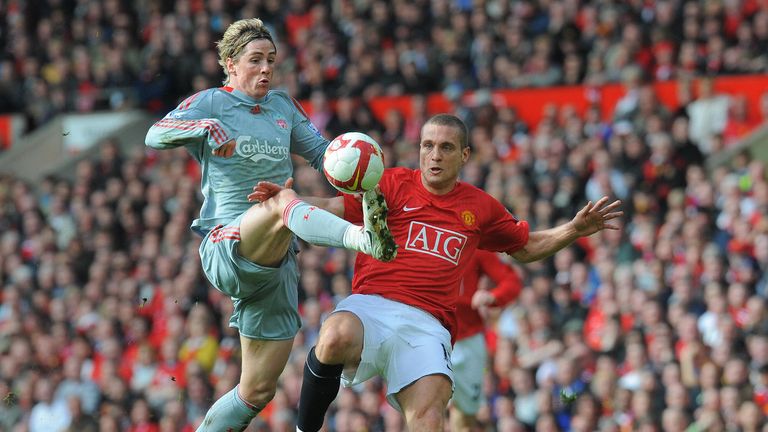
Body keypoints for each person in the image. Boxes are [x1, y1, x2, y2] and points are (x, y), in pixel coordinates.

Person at [250, 113, 622, 430]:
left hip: (429, 325)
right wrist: (286, 202)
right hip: (372, 305)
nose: (434, 155)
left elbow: (524, 247)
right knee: (332, 336)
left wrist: (573, 229)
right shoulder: (391, 183)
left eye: (446, 147)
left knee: (430, 418)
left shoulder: (480, 207)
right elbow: (334, 207)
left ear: (464, 155)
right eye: (427, 145)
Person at [144, 18, 396, 432]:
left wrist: (361, 165)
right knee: (281, 200)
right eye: (255, 60)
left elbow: (322, 157)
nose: (265, 69)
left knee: (257, 390)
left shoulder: (282, 106)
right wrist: (203, 126)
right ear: (231, 64)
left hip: (277, 262)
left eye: (271, 61)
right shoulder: (211, 102)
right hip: (227, 242)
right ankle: (363, 239)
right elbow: (156, 134)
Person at [450, 249, 523, 431]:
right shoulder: (419, 237)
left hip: (468, 340)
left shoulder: (475, 247)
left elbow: (511, 281)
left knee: (467, 414)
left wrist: (493, 296)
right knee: (429, 405)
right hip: (430, 336)